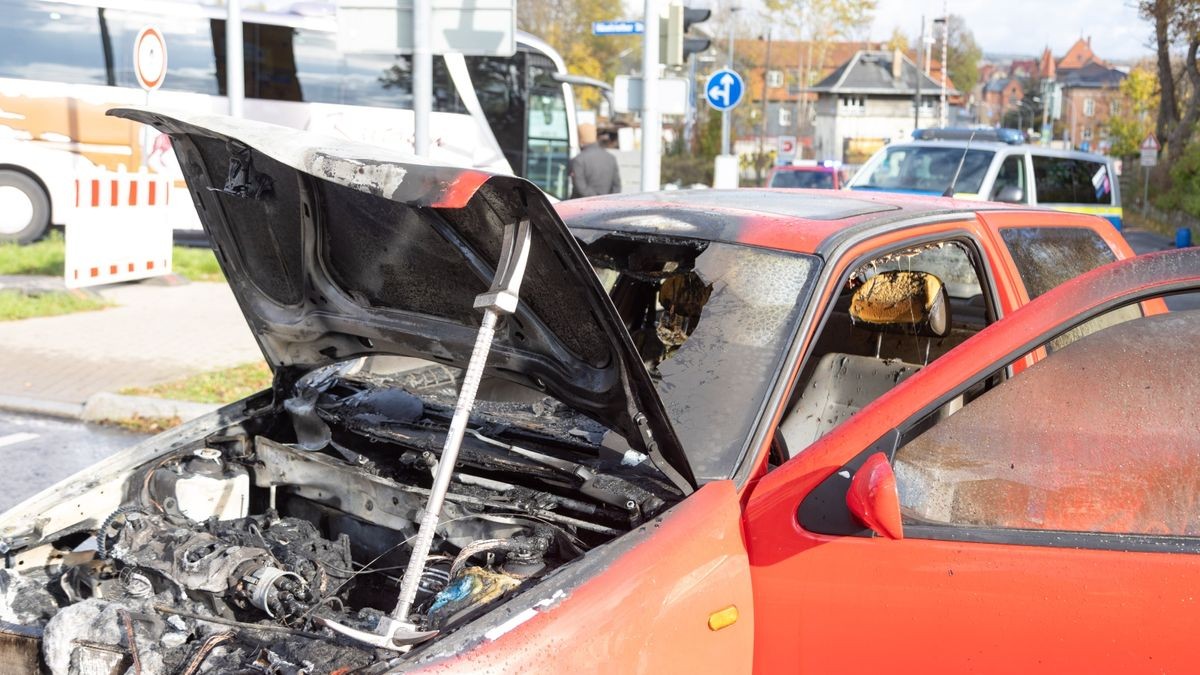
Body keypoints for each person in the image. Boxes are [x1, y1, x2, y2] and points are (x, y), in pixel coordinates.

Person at [569, 123, 622, 198]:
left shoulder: (578, 160)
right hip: (605, 206)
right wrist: (605, 200)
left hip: (582, 206)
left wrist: (595, 199)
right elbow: (617, 187)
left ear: (580, 139)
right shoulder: (611, 158)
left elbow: (580, 188)